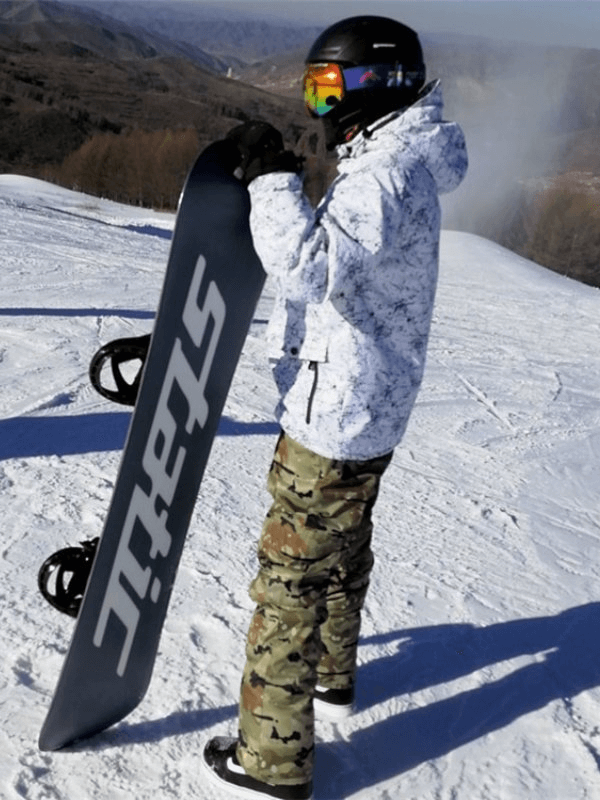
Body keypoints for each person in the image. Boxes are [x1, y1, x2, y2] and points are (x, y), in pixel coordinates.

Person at [201, 14, 468, 800]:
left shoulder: (385, 177)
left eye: (329, 89)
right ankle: (332, 675)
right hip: (372, 404)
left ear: (377, 85)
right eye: (313, 88)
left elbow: (309, 267)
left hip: (336, 413)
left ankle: (273, 759)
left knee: (290, 580)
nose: (320, 107)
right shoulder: (401, 158)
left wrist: (270, 182)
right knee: (342, 553)